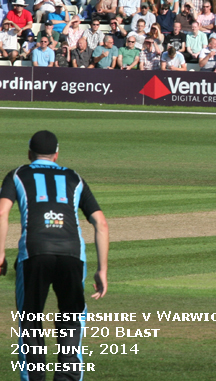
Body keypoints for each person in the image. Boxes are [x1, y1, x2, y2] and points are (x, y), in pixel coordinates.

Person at [0, 130, 109, 378]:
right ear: (57, 154)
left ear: (29, 153)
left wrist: (0, 254)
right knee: (71, 321)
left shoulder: (18, 173)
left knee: (30, 321)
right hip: (72, 254)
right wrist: (102, 269)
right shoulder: (74, 177)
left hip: (34, 253)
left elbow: (1, 213)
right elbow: (101, 223)